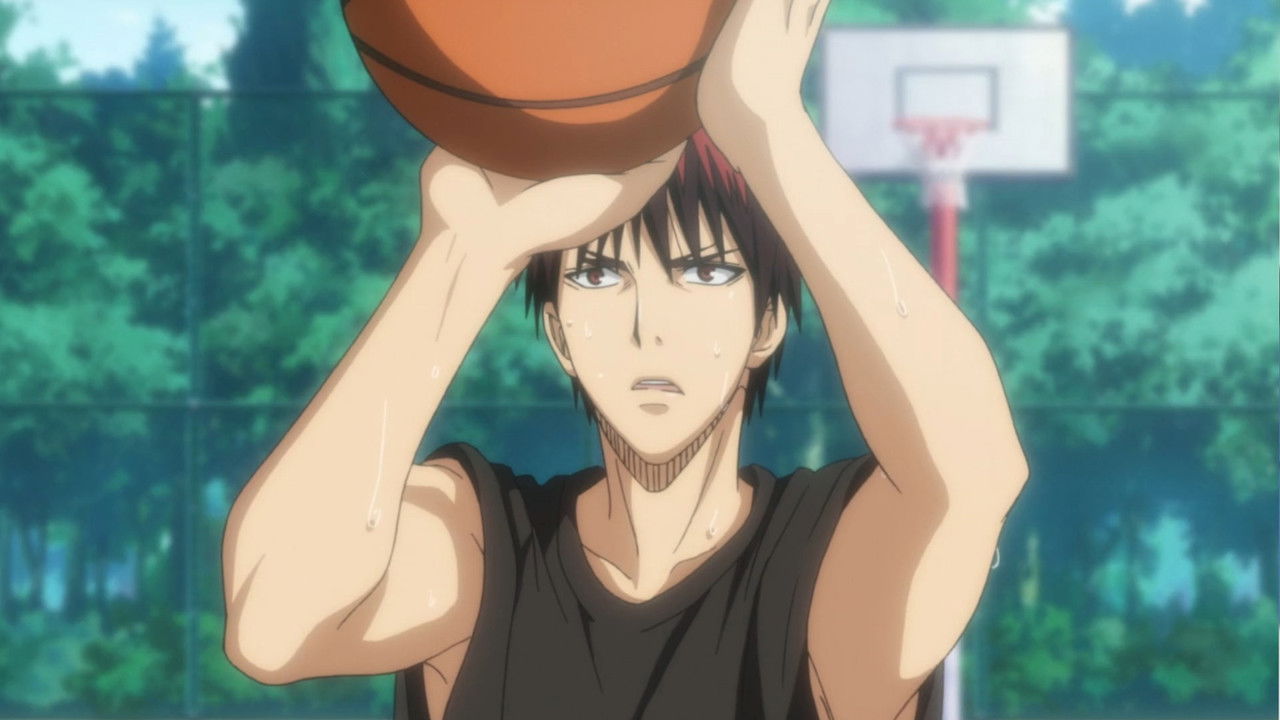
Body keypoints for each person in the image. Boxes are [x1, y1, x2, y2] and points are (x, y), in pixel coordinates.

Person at [221, 0, 1029, 718]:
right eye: (600, 276)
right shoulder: (484, 552)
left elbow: (975, 475)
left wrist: (766, 127)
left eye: (705, 273)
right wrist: (464, 252)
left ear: (767, 324)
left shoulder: (818, 575)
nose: (650, 328)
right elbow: (271, 623)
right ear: (559, 333)